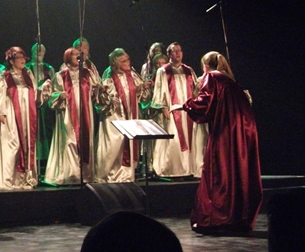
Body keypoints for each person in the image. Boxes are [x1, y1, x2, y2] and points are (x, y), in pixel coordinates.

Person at [175, 51, 262, 234]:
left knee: (220, 171)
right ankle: (238, 218)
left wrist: (185, 105)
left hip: (226, 132)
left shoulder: (211, 77)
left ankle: (217, 219)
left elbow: (205, 103)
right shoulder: (231, 82)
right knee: (238, 171)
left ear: (206, 66)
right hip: (244, 131)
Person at [0, 47, 51, 190]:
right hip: (9, 114)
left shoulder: (27, 74)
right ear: (11, 60)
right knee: (11, 145)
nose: (23, 60)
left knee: (26, 145)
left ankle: (22, 180)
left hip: (26, 116)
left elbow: (33, 95)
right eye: (19, 58)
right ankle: (7, 179)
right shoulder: (3, 74)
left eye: (24, 58)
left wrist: (43, 89)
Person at [45, 47, 102, 185]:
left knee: (85, 139)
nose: (78, 56)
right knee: (70, 141)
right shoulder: (60, 75)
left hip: (85, 111)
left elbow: (97, 89)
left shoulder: (87, 73)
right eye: (75, 55)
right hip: (68, 113)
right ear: (68, 57)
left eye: (79, 54)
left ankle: (85, 174)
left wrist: (100, 89)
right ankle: (71, 174)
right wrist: (60, 96)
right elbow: (51, 96)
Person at [151, 42, 207, 178]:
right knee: (174, 140)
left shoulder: (188, 70)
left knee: (190, 139)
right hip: (172, 109)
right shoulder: (163, 70)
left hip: (188, 110)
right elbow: (160, 90)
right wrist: (163, 107)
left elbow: (195, 89)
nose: (178, 53)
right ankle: (173, 169)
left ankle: (189, 168)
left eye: (179, 51)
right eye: (174, 51)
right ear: (169, 54)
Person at [96, 48, 151, 183]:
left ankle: (125, 175)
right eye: (124, 61)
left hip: (129, 114)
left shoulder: (132, 74)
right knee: (113, 144)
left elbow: (136, 94)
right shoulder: (109, 74)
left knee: (127, 142)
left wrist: (142, 88)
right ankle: (107, 174)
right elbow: (103, 95)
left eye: (128, 59)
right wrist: (109, 98)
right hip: (114, 115)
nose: (128, 62)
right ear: (116, 63)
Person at [25, 43, 56, 167]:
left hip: (45, 104)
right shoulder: (27, 67)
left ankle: (45, 155)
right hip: (32, 101)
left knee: (45, 128)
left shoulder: (49, 68)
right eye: (37, 50)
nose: (39, 52)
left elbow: (54, 85)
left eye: (42, 50)